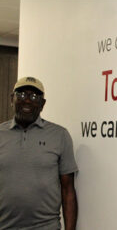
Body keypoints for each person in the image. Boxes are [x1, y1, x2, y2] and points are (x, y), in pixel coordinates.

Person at [0, 76, 78, 229]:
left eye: (35, 96)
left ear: (42, 104)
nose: (27, 100)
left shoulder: (59, 135)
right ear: (12, 99)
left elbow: (68, 190)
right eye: (21, 95)